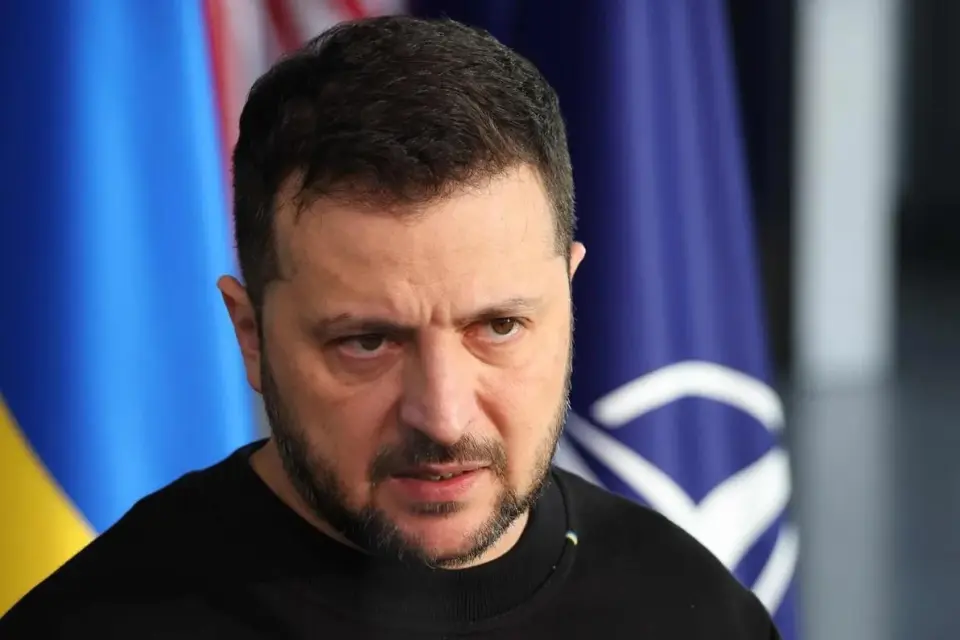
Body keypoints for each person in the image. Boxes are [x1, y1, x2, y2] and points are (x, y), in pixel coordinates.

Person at [0, 15, 782, 639]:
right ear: (250, 334)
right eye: (367, 342)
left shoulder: (693, 612)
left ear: (568, 301)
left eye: (499, 327)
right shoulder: (97, 624)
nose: (442, 416)